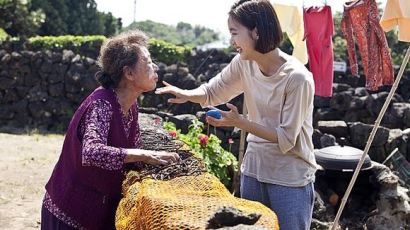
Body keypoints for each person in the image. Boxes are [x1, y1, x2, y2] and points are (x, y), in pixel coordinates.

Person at [155, 0, 316, 229]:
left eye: (234, 33)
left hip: (289, 178)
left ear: (256, 32)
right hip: (254, 172)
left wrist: (240, 122)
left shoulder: (297, 78)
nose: (232, 42)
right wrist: (187, 94)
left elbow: (287, 139)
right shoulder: (244, 64)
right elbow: (214, 91)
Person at [41, 30, 180, 230]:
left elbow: (129, 148)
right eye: (148, 62)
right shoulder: (102, 104)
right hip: (68, 214)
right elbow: (91, 152)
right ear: (129, 73)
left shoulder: (130, 105)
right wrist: (143, 154)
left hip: (96, 212)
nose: (155, 67)